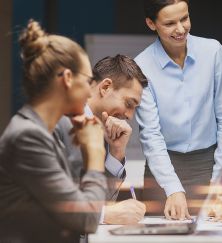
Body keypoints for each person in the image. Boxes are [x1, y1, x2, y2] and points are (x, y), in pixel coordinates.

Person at [0, 20, 107, 243]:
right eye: (88, 81)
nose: (90, 91)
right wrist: (96, 152)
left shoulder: (42, 133)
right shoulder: (27, 137)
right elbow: (86, 217)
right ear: (67, 78)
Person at [135, 0, 222, 220]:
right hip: (162, 169)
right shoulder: (142, 66)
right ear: (151, 24)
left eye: (185, 18)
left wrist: (218, 183)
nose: (181, 29)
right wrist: (172, 188)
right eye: (170, 23)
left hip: (209, 165)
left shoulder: (213, 52)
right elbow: (150, 134)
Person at [55, 55, 148, 225]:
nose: (129, 115)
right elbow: (44, 198)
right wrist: (104, 215)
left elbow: (101, 201)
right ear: (105, 87)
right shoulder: (58, 121)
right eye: (129, 103)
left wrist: (116, 152)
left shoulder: (103, 131)